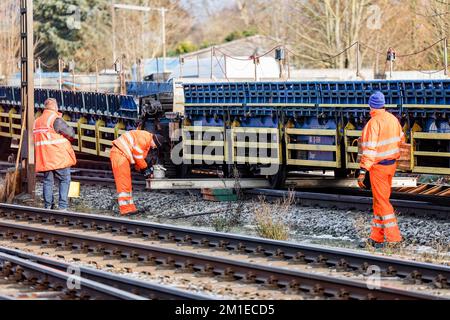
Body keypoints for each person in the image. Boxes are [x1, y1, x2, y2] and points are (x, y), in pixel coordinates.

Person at [358, 91, 405, 248]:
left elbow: (370, 150)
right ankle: (376, 238)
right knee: (379, 201)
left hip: (378, 168)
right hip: (391, 165)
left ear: (371, 106)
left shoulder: (373, 123)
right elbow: (401, 139)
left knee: (383, 203)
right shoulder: (393, 120)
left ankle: (394, 238)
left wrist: (363, 171)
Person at [34, 98, 77, 210]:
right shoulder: (55, 119)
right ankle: (63, 207)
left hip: (44, 158)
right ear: (55, 107)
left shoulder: (37, 121)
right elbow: (71, 134)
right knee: (65, 179)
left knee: (48, 181)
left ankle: (48, 206)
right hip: (58, 157)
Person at [110, 129, 163, 216]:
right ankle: (125, 209)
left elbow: (139, 161)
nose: (154, 147)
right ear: (155, 141)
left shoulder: (146, 141)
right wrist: (146, 169)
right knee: (124, 183)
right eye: (155, 146)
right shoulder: (145, 139)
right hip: (119, 154)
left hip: (121, 154)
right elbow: (138, 157)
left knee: (127, 183)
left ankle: (130, 208)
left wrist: (144, 170)